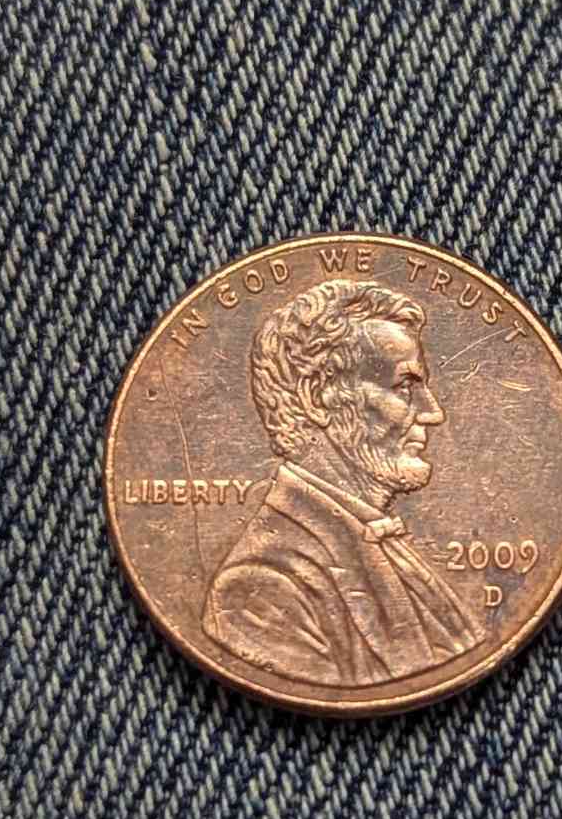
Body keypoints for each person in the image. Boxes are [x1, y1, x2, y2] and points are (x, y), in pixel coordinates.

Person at [202, 279, 486, 686]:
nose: (432, 412)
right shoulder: (260, 587)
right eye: (405, 386)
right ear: (317, 397)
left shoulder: (380, 542)